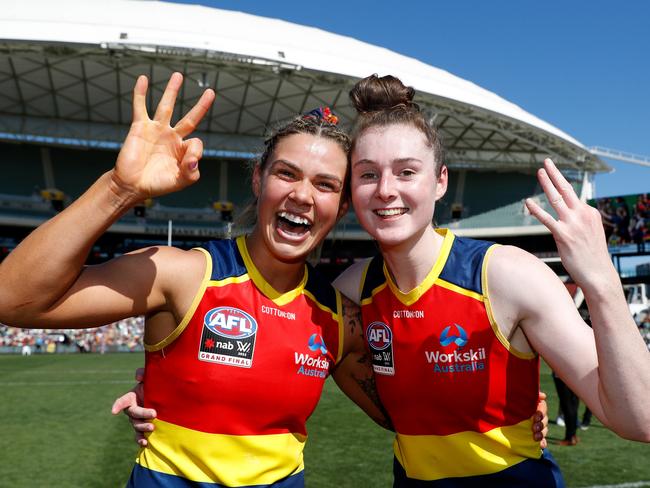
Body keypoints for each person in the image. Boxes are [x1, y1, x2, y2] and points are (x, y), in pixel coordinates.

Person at [0, 73, 391, 487]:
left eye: (325, 184)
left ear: (343, 205)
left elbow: (414, 416)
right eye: (286, 174)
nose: (302, 195)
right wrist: (119, 190)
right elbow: (13, 298)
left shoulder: (339, 319)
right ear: (258, 179)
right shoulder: (183, 275)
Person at [327, 74, 650, 486]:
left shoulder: (507, 276)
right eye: (367, 174)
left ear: (440, 180)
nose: (386, 190)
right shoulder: (350, 290)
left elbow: (640, 419)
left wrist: (601, 281)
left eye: (406, 172)